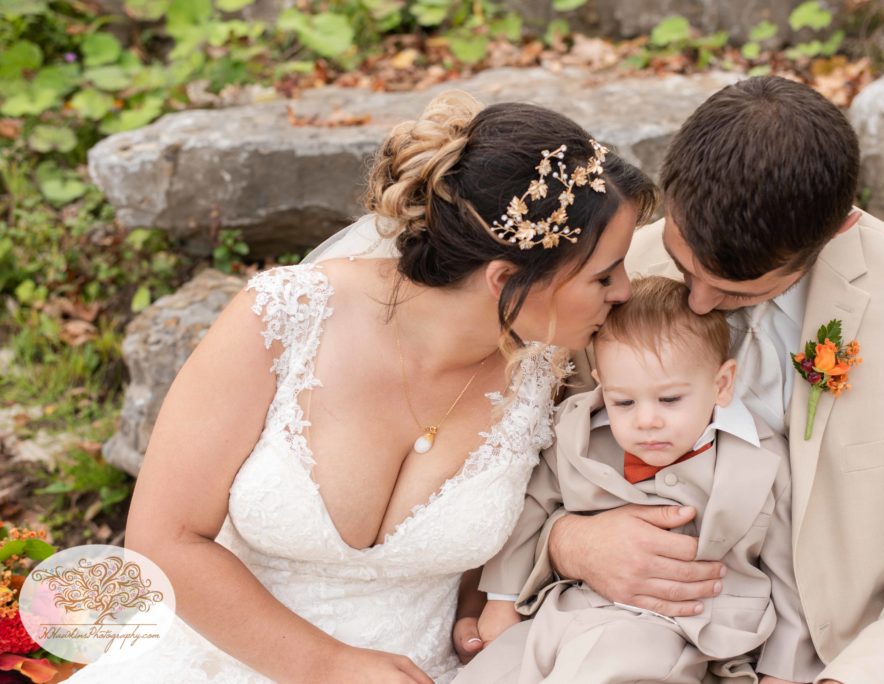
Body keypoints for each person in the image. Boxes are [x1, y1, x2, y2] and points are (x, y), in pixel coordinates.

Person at [68, 91, 658, 683]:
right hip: (218, 660)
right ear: (505, 280)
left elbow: (534, 515)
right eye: (604, 274)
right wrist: (326, 666)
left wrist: (481, 601)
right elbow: (163, 539)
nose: (625, 290)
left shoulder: (550, 374)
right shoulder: (283, 319)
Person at [462, 77, 884, 683]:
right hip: (608, 636)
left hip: (828, 661)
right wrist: (570, 543)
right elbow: (538, 466)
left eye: (737, 290)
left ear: (834, 230)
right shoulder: (611, 273)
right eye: (683, 268)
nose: (699, 304)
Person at [455, 276, 819, 684]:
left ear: (722, 383)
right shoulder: (576, 433)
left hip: (688, 629)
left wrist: (783, 670)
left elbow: (791, 578)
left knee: (607, 667)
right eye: (624, 401)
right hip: (568, 611)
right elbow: (530, 510)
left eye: (669, 400)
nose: (646, 420)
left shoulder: (762, 459)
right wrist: (502, 602)